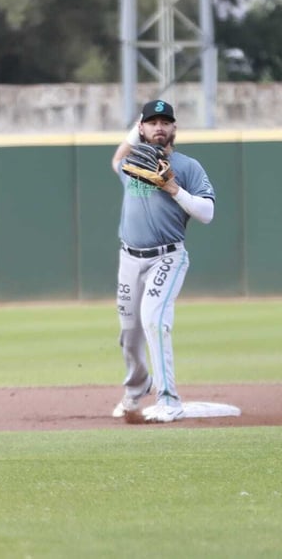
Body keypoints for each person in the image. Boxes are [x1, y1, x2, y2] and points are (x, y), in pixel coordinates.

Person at [110, 99, 216, 422]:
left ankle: (169, 400)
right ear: (141, 128)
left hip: (166, 257)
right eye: (152, 122)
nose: (159, 127)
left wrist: (174, 189)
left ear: (174, 128)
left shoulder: (187, 167)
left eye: (165, 122)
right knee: (129, 333)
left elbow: (208, 213)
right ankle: (137, 387)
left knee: (154, 319)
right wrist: (136, 129)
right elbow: (117, 159)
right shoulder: (134, 162)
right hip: (128, 258)